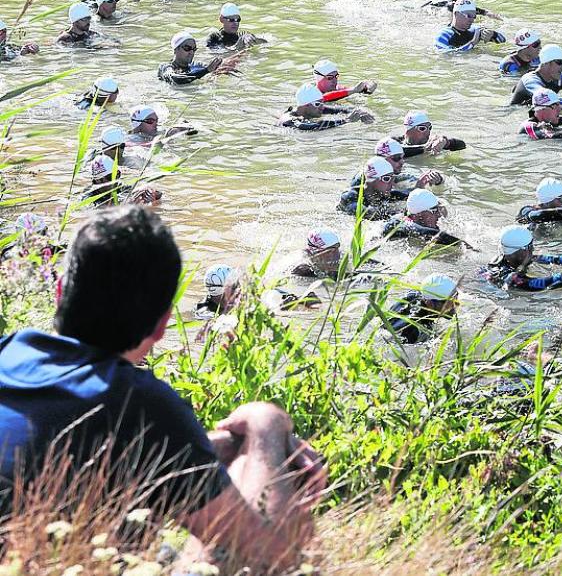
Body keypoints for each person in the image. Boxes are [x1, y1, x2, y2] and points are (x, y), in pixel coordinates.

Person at [0, 206, 324, 568]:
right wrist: (266, 426)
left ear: (60, 291)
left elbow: (73, 449)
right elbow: (274, 558)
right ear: (162, 325)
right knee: (263, 460)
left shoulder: (7, 350)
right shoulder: (137, 402)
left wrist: (212, 449)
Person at [482, 225, 562, 292]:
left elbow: (555, 259)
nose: (533, 249)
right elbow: (541, 284)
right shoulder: (509, 276)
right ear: (524, 250)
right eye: (531, 246)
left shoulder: (512, 257)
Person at [380, 189, 466, 248]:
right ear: (418, 215)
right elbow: (432, 233)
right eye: (434, 211)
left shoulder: (413, 217)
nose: (439, 215)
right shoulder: (400, 226)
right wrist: (465, 246)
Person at [387, 274, 457, 344]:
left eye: (456, 297)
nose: (456, 305)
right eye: (450, 302)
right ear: (430, 303)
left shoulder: (421, 294)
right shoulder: (411, 330)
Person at [338, 157, 413, 220]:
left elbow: (411, 196)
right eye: (386, 179)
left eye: (393, 179)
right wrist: (399, 214)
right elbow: (366, 214)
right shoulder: (350, 196)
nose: (391, 184)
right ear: (371, 180)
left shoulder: (387, 194)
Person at [278, 83, 374, 131]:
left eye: (322, 103)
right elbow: (311, 127)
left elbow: (345, 109)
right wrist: (346, 121)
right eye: (317, 104)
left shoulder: (314, 108)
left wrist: (360, 112)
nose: (322, 107)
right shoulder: (289, 120)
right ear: (304, 106)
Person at [158, 31, 239, 85]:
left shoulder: (195, 65)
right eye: (187, 48)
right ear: (176, 49)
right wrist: (207, 70)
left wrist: (224, 68)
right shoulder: (166, 67)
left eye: (194, 49)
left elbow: (215, 68)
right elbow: (176, 79)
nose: (191, 52)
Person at [81, 156, 161, 207]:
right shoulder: (88, 197)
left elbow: (157, 194)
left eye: (117, 175)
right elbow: (94, 215)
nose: (115, 180)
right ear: (98, 180)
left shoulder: (120, 187)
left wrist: (150, 192)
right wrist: (125, 207)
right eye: (110, 177)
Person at [434, 0, 506, 52]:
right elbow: (446, 56)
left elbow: (502, 40)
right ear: (456, 14)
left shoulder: (475, 30)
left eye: (474, 16)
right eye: (468, 15)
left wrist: (493, 34)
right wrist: (473, 43)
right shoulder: (443, 35)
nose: (472, 19)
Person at [392, 111, 467, 159]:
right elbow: (396, 153)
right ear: (408, 130)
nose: (428, 132)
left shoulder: (434, 142)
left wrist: (446, 142)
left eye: (429, 128)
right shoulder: (395, 142)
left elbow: (462, 145)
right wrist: (425, 149)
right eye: (422, 128)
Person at [128, 105, 198, 145]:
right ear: (138, 124)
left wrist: (183, 127)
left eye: (156, 120)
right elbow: (148, 149)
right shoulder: (132, 139)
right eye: (150, 121)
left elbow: (193, 130)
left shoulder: (157, 132)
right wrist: (168, 139)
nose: (156, 124)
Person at [312, 59, 377, 102]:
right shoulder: (311, 93)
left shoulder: (338, 88)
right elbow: (322, 98)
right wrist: (353, 90)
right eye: (330, 78)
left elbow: (358, 90)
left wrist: (368, 87)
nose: (335, 81)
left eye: (336, 76)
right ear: (319, 79)